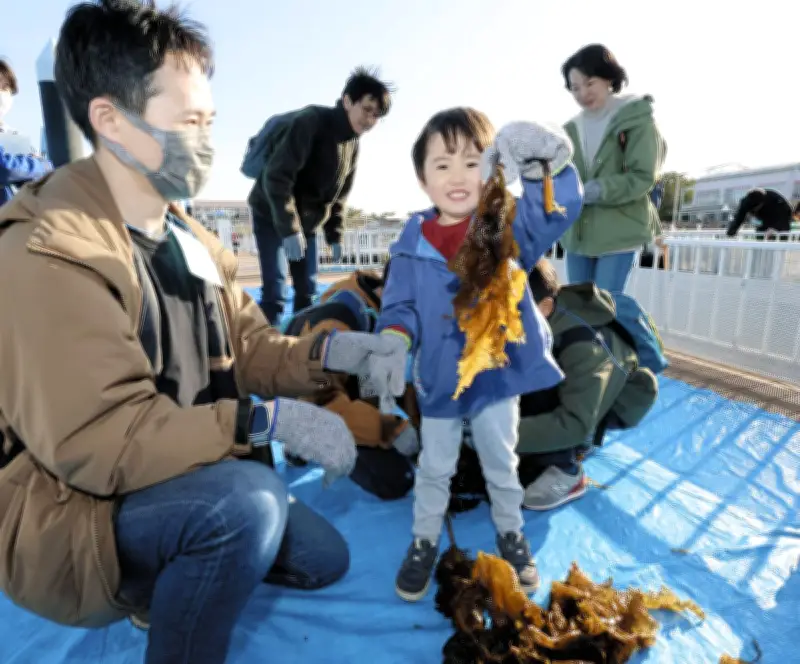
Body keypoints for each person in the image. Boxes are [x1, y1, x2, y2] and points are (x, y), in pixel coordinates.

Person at [0, 3, 408, 664]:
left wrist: (333, 351)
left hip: (189, 468)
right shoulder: (49, 251)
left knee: (322, 557)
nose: (207, 141)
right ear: (110, 119)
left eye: (210, 121)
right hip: (82, 514)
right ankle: (158, 600)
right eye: (189, 122)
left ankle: (185, 561)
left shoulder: (184, 232)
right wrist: (263, 422)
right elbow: (104, 441)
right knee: (247, 508)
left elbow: (249, 344)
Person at [376, 107, 584, 602]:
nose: (457, 176)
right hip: (439, 378)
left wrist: (546, 167)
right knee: (435, 467)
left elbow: (554, 210)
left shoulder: (505, 228)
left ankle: (512, 535)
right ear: (422, 179)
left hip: (496, 376)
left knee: (501, 463)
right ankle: (424, 541)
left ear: (494, 171)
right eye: (442, 164)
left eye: (473, 162)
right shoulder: (409, 246)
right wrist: (394, 340)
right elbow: (399, 306)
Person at [449, 258, 659, 513]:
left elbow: (574, 424)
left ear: (546, 306)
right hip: (568, 385)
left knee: (540, 409)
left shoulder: (585, 345)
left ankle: (567, 472)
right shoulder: (534, 323)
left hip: (604, 404)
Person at [246, 67, 393, 324]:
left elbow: (339, 196)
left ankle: (301, 341)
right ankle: (265, 344)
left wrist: (335, 235)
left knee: (308, 291)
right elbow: (277, 177)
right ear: (347, 101)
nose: (370, 120)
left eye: (376, 115)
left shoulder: (353, 142)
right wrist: (289, 229)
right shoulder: (311, 121)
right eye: (366, 109)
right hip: (271, 213)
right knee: (276, 291)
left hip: (308, 223)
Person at [282, 266, 419, 501]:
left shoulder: (387, 313)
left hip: (345, 383)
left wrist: (425, 429)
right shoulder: (339, 321)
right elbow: (321, 399)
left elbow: (404, 380)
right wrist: (389, 429)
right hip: (307, 393)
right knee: (394, 478)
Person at [559, 43, 666, 293]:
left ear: (609, 78)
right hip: (579, 236)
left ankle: (628, 321)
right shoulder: (570, 129)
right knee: (578, 305)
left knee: (606, 305)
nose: (583, 93)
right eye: (575, 88)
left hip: (619, 231)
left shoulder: (635, 118)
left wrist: (597, 190)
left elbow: (643, 176)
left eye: (590, 83)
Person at [0, 57, 53, 206]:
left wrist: (41, 165)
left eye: (5, 88)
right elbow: (5, 168)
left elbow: (45, 173)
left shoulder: (14, 136)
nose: (2, 94)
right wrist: (41, 165)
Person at [726, 188, 793, 240]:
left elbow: (787, 215)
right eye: (752, 211)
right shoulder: (745, 202)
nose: (754, 211)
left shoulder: (776, 199)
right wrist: (731, 232)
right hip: (763, 223)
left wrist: (776, 227)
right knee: (760, 237)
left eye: (756, 209)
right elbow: (739, 218)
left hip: (780, 222)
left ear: (762, 203)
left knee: (776, 240)